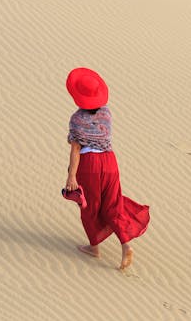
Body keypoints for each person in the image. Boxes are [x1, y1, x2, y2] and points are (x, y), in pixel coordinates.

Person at [64, 67, 150, 270]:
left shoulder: (77, 119)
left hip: (90, 165)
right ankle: (125, 245)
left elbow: (76, 150)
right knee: (113, 204)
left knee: (90, 206)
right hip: (110, 162)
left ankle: (94, 247)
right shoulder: (106, 113)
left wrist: (71, 176)